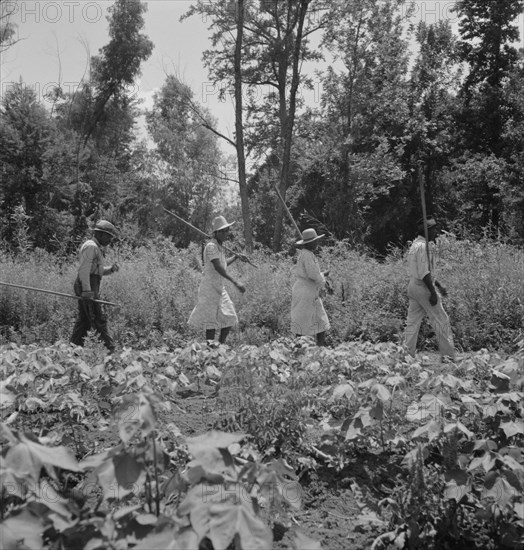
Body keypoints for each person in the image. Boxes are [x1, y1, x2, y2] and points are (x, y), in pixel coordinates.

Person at [188, 215, 246, 344]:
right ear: (216, 233)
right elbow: (218, 267)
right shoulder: (211, 247)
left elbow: (224, 263)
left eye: (227, 230)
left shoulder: (220, 247)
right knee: (211, 323)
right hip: (209, 288)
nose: (226, 233)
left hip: (219, 287)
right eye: (223, 231)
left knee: (230, 316)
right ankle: (210, 350)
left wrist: (236, 257)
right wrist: (235, 281)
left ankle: (220, 346)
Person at [404, 217, 455, 360]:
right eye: (433, 229)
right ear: (426, 231)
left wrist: (438, 285)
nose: (436, 232)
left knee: (412, 323)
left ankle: (406, 355)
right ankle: (448, 356)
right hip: (423, 288)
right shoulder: (423, 247)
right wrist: (433, 292)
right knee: (441, 319)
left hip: (413, 286)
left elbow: (426, 271)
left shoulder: (416, 245)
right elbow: (425, 273)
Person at [71, 220, 120, 352]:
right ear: (100, 234)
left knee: (85, 321)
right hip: (86, 286)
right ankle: (111, 350)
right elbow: (84, 270)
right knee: (98, 318)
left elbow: (96, 271)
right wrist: (87, 290)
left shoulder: (96, 248)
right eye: (108, 236)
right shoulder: (91, 246)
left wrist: (111, 269)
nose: (110, 239)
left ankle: (73, 350)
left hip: (91, 285)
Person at [291, 228, 330, 346]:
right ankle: (317, 348)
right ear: (309, 243)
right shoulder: (307, 255)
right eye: (315, 241)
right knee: (312, 321)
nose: (317, 243)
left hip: (306, 290)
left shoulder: (306, 254)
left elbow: (312, 274)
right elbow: (313, 275)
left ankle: (314, 347)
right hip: (307, 292)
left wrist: (322, 276)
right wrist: (324, 275)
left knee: (317, 320)